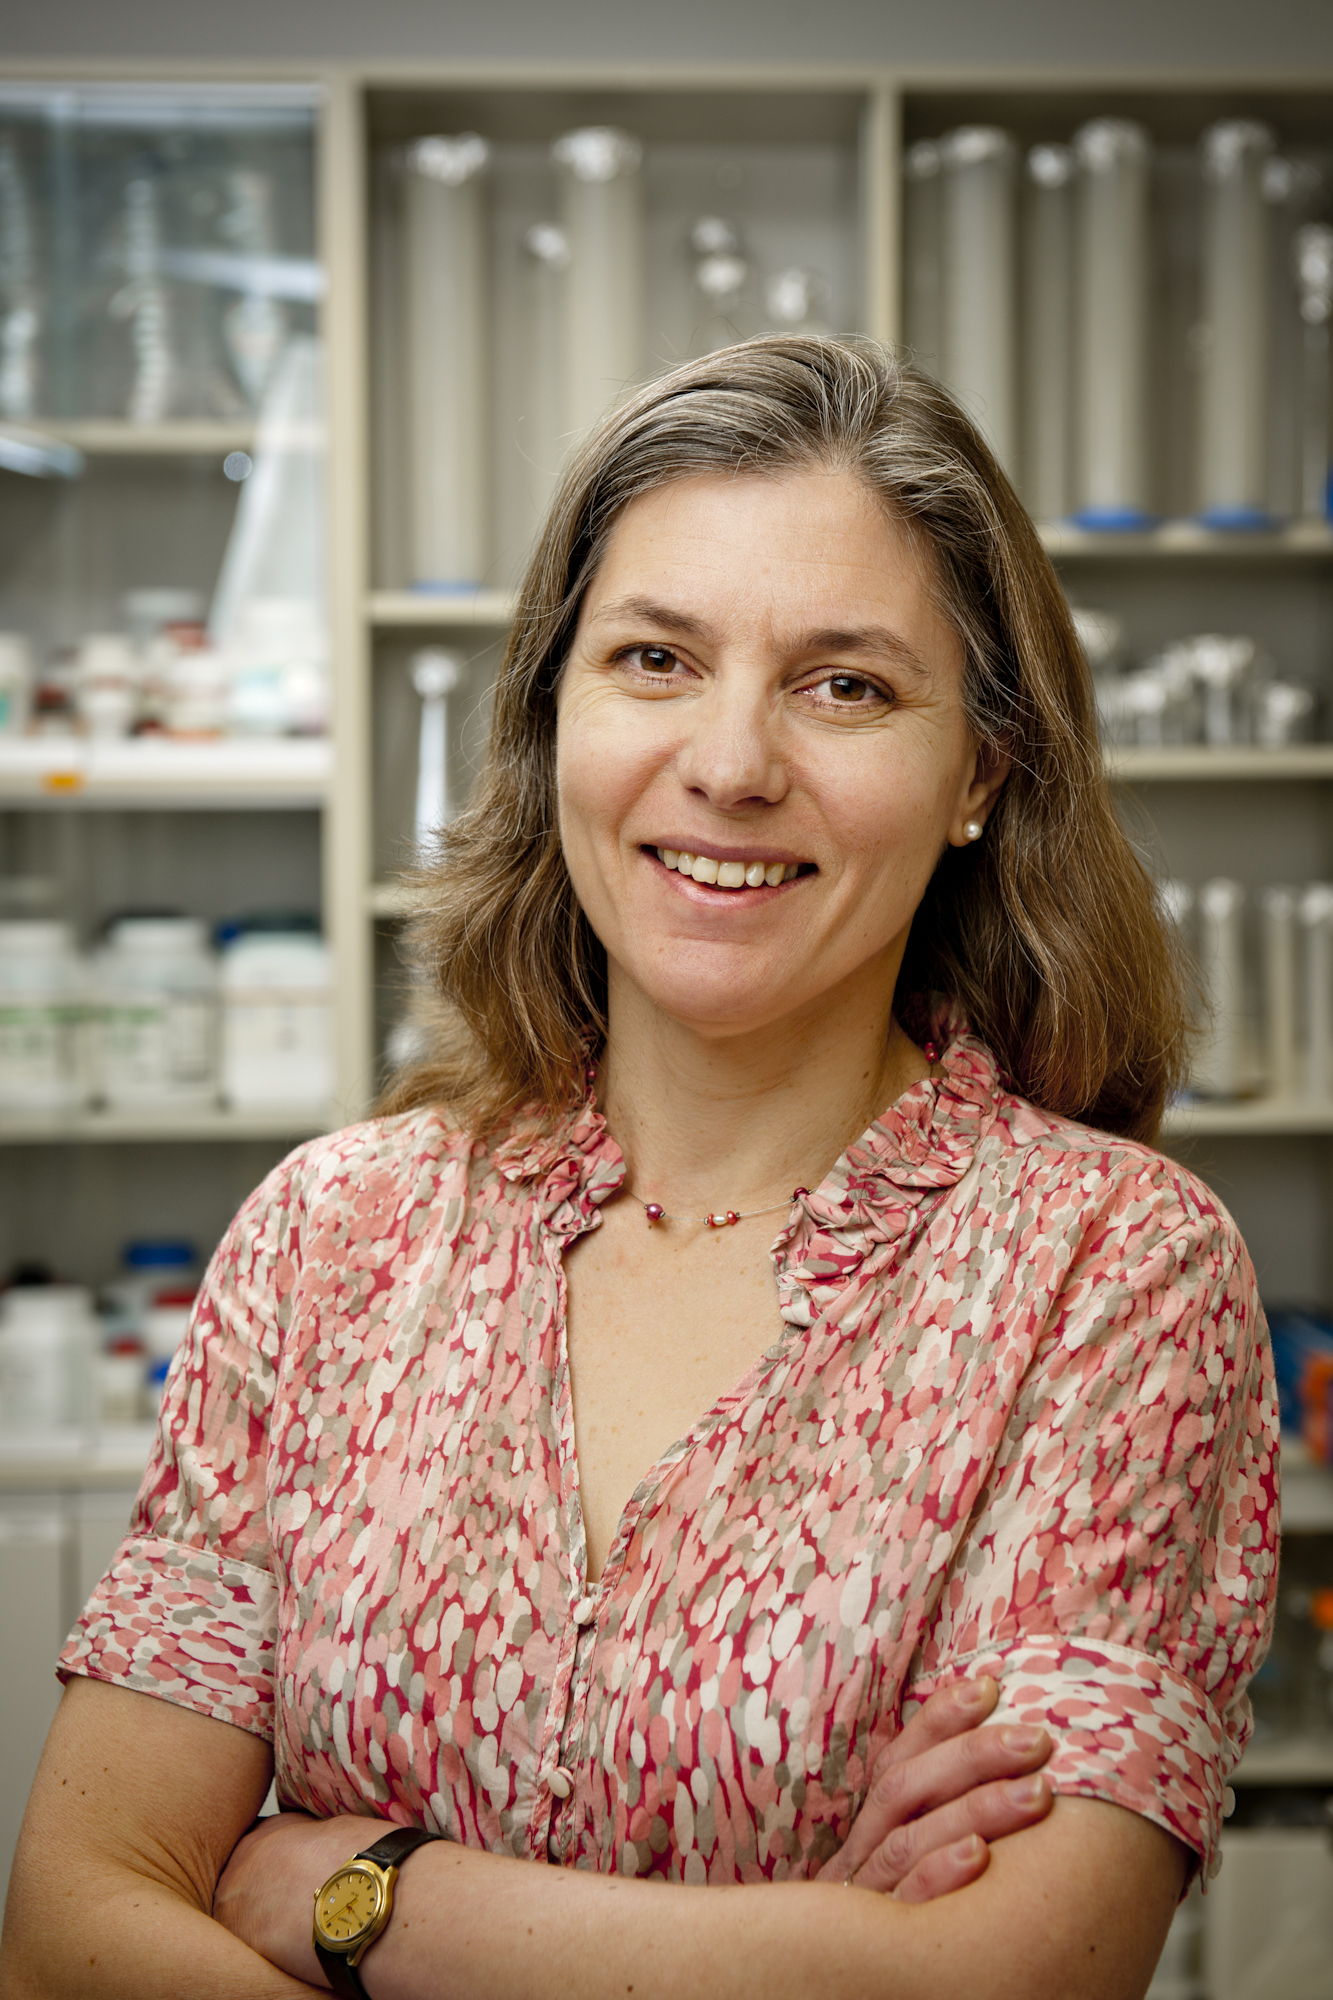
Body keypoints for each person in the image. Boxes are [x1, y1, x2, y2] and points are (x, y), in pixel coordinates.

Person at [2, 337, 1276, 2000]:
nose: (733, 763)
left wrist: (362, 1892)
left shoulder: (1110, 1274)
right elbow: (72, 1923)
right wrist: (810, 1940)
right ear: (553, 719)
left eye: (848, 685)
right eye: (656, 658)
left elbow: (1004, 1975)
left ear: (978, 772)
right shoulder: (334, 1236)